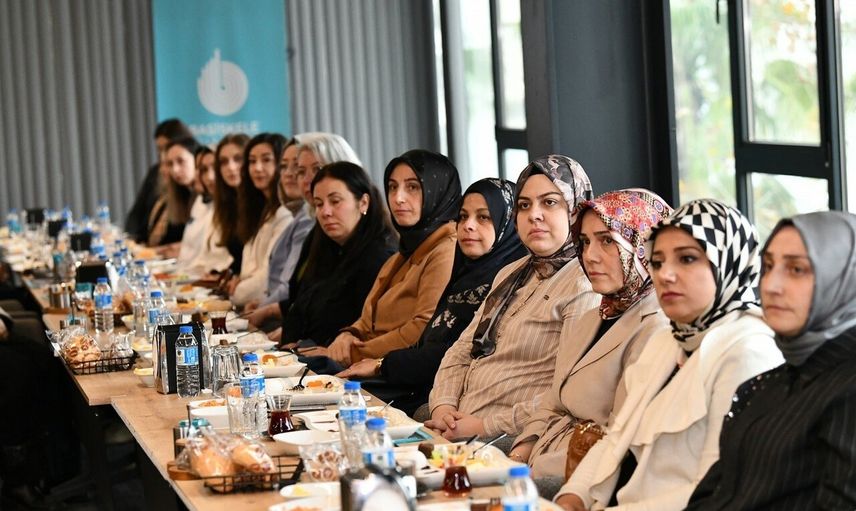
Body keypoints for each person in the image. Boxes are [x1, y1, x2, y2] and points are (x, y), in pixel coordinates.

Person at [555, 198, 784, 511]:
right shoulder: (669, 338)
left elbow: (718, 487)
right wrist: (572, 498)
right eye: (658, 262)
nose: (665, 275)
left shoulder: (749, 352)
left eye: (687, 259)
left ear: (727, 262)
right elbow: (616, 439)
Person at [684, 211, 856, 510]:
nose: (772, 285)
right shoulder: (774, 380)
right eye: (768, 266)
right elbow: (716, 492)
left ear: (843, 278)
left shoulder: (848, 386)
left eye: (797, 269)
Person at [426, 155, 599, 440]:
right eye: (524, 205)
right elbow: (462, 350)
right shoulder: (512, 272)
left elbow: (563, 394)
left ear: (576, 211)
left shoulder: (584, 285)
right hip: (458, 422)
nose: (534, 215)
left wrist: (483, 427)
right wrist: (443, 408)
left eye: (549, 202)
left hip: (509, 437)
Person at [506, 189, 671, 488]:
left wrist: (534, 477)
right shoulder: (594, 316)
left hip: (585, 478)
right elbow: (552, 402)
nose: (590, 256)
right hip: (539, 459)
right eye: (584, 242)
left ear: (644, 247)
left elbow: (617, 441)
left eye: (607, 241)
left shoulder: (656, 329)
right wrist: (518, 458)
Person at [337, 178, 527, 416]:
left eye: (483, 217)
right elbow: (429, 341)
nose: (468, 225)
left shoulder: (509, 283)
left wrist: (381, 364)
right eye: (463, 216)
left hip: (464, 402)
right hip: (424, 386)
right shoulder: (464, 275)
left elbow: (453, 355)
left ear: (508, 223)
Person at [303, 149, 461, 369]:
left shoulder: (446, 250)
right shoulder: (407, 250)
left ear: (438, 192)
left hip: (397, 374)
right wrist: (349, 334)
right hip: (370, 366)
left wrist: (353, 352)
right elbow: (368, 318)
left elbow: (423, 327)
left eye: (412, 187)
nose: (398, 198)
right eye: (393, 187)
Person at [276, 162, 397, 354]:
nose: (325, 212)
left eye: (335, 201)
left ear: (363, 203)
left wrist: (324, 352)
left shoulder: (379, 257)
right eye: (318, 204)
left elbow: (371, 332)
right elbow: (300, 304)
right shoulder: (325, 246)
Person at [246, 133, 360, 329]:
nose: (307, 180)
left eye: (317, 169)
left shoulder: (337, 229)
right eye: (301, 171)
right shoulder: (310, 219)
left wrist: (272, 313)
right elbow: (306, 294)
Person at [228, 133, 293, 307]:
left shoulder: (285, 213)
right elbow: (249, 268)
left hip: (264, 305)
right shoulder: (258, 209)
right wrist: (238, 279)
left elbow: (267, 277)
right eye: (252, 161)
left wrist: (235, 291)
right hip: (248, 301)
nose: (257, 168)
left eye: (266, 160)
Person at [125, 118, 193, 242]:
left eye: (167, 147)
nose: (163, 154)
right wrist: (131, 239)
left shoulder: (192, 192)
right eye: (159, 149)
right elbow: (137, 212)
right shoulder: (155, 172)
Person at [176, 146, 232, 275]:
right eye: (203, 170)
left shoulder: (235, 208)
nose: (209, 177)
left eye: (215, 168)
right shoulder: (207, 203)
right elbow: (201, 256)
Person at [147, 137, 200, 251]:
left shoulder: (206, 197)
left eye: (181, 161)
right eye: (170, 164)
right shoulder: (179, 195)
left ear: (197, 160)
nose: (175, 170)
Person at [211, 133, 250, 276]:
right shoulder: (228, 203)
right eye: (223, 162)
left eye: (238, 159)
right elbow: (238, 259)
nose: (230, 167)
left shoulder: (260, 204)